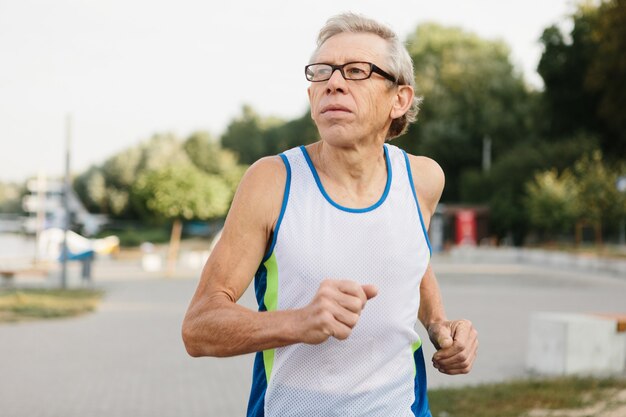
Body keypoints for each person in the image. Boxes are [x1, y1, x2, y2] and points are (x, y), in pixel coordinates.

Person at [182, 12, 478, 417]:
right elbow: (198, 327)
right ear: (311, 99)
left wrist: (439, 324)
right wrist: (299, 322)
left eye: (356, 71)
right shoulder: (273, 182)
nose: (333, 83)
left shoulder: (423, 178)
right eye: (322, 73)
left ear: (399, 99)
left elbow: (412, 260)